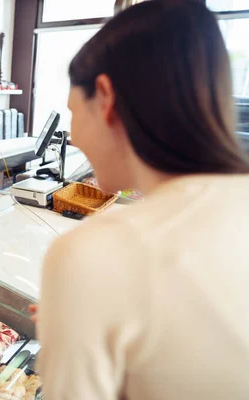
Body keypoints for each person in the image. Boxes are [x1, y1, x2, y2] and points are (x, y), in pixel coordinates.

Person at [32, 1, 249, 399]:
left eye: (73, 113)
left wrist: (75, 312)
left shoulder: (89, 253)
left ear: (105, 97)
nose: (74, 137)